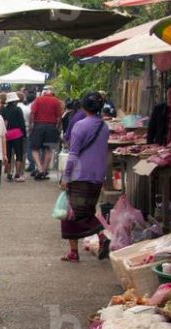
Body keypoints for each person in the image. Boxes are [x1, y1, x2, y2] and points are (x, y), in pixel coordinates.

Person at [59, 92, 112, 263]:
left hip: (79, 176)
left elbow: (73, 153)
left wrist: (66, 176)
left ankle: (101, 236)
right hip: (97, 175)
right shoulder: (104, 127)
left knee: (70, 215)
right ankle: (79, 249)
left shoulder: (80, 126)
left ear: (83, 106)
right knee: (87, 210)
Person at [30, 86, 64, 181]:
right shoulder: (56, 101)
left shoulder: (38, 99)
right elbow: (59, 117)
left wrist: (31, 125)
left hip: (38, 125)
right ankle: (44, 171)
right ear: (52, 93)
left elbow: (32, 113)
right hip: (51, 127)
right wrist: (57, 128)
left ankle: (39, 168)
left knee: (35, 149)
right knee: (49, 150)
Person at [0, 92, 27, 183]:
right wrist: (24, 134)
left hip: (7, 134)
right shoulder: (18, 109)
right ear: (15, 100)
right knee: (18, 154)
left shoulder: (3, 110)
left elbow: (3, 122)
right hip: (17, 133)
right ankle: (17, 174)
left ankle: (9, 174)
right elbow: (22, 123)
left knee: (8, 154)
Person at [20, 90, 37, 175]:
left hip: (18, 132)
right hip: (28, 130)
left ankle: (31, 165)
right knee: (28, 149)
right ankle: (32, 165)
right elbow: (31, 119)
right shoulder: (28, 108)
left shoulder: (27, 107)